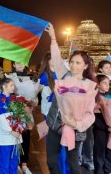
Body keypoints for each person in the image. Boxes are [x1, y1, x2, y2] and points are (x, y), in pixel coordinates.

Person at [45, 24, 97, 174]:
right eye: (72, 62)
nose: (73, 65)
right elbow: (56, 58)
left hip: (75, 129)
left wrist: (75, 123)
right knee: (51, 161)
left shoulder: (89, 86)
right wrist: (54, 38)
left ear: (86, 66)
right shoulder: (64, 75)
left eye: (78, 63)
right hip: (55, 125)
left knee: (73, 164)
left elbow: (89, 113)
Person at [0, 78, 23, 174]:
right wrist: (11, 131)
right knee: (4, 164)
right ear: (4, 87)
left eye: (13, 85)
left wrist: (19, 128)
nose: (13, 87)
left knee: (14, 163)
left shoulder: (14, 99)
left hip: (16, 137)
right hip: (5, 139)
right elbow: (0, 120)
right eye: (11, 85)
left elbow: (20, 115)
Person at [9, 62, 34, 174]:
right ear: (13, 64)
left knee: (26, 139)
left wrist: (31, 102)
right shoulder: (9, 77)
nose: (20, 65)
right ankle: (16, 164)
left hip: (27, 112)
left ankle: (24, 164)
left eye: (22, 63)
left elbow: (35, 97)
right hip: (14, 113)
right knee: (15, 139)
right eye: (17, 62)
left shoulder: (30, 78)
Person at [92, 74, 111, 174]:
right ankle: (99, 170)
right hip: (100, 127)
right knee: (99, 150)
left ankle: (108, 170)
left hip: (110, 127)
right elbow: (92, 113)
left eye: (108, 83)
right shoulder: (95, 97)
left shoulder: (109, 96)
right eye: (104, 83)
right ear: (98, 85)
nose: (107, 85)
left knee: (109, 149)